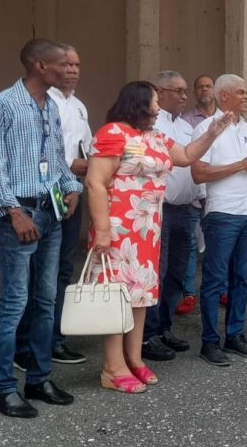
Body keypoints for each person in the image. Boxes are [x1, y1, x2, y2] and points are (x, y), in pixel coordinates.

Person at [86, 81, 231, 393]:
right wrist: (102, 230)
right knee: (116, 298)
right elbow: (95, 183)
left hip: (147, 229)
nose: (157, 109)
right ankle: (112, 367)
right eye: (153, 102)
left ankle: (134, 359)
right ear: (138, 103)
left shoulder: (155, 137)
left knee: (139, 295)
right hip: (119, 229)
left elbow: (186, 155)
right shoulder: (113, 133)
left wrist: (212, 133)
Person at [0, 39, 83, 418]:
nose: (69, 70)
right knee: (15, 302)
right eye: (62, 64)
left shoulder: (50, 106)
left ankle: (39, 379)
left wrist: (72, 187)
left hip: (50, 214)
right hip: (19, 215)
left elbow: (55, 158)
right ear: (40, 66)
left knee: (46, 300)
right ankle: (4, 389)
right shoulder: (2, 104)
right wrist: (11, 211)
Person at [14, 44, 92, 370]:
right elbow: (42, 156)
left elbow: (85, 150)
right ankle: (24, 344)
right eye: (67, 64)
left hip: (70, 195)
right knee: (34, 274)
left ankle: (53, 339)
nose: (72, 70)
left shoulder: (79, 107)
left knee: (61, 271)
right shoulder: (40, 102)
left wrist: (79, 181)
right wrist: (73, 167)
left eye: (76, 65)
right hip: (41, 196)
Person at [191, 74, 247, 367]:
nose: (246, 97)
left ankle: (235, 335)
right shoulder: (206, 129)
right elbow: (198, 173)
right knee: (215, 279)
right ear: (224, 97)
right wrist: (241, 165)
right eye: (241, 92)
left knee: (242, 278)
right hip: (222, 212)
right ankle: (209, 341)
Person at [142, 70, 201, 362]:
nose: (184, 96)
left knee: (178, 273)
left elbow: (193, 165)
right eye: (178, 91)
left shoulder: (187, 127)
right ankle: (148, 334)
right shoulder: (154, 126)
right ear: (160, 92)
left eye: (185, 91)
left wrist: (201, 198)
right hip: (161, 209)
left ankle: (164, 327)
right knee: (158, 273)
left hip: (186, 210)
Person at [178, 74, 217, 312]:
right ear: (195, 92)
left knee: (217, 243)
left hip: (217, 190)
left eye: (208, 86)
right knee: (191, 243)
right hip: (194, 190)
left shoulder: (226, 119)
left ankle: (220, 290)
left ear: (215, 90)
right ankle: (189, 293)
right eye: (200, 87)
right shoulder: (185, 121)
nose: (204, 90)